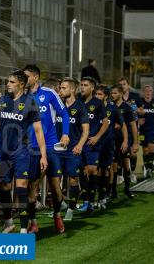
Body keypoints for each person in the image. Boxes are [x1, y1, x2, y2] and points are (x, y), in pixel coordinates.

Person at [0, 69, 47, 234]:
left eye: (12, 82)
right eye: (8, 81)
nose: (8, 84)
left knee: (21, 188)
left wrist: (43, 155)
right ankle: (9, 222)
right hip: (4, 152)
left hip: (22, 152)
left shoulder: (31, 103)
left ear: (22, 84)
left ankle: (24, 228)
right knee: (4, 186)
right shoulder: (2, 100)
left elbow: (38, 131)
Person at [23, 64, 70, 233]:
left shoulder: (49, 94)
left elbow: (64, 113)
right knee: (31, 187)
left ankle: (57, 215)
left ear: (36, 77)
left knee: (55, 186)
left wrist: (65, 133)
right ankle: (33, 223)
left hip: (50, 148)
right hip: (31, 148)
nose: (24, 79)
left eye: (26, 76)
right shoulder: (22, 96)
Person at [56, 78, 89, 221]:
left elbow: (85, 131)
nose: (61, 91)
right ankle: (59, 207)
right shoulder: (57, 106)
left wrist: (80, 145)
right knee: (54, 180)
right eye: (60, 88)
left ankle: (70, 209)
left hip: (72, 150)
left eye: (63, 88)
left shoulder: (80, 108)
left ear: (72, 90)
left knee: (73, 180)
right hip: (57, 149)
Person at [76, 76, 108, 214]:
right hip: (79, 143)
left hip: (92, 143)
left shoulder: (98, 103)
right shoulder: (77, 101)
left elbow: (105, 123)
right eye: (81, 85)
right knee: (82, 172)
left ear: (92, 88)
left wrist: (96, 136)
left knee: (92, 171)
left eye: (85, 85)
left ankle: (91, 202)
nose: (82, 87)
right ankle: (85, 201)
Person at [95, 85, 128, 206]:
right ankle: (93, 197)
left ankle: (104, 195)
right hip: (94, 145)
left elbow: (123, 125)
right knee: (94, 171)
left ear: (106, 96)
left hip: (108, 145)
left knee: (105, 171)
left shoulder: (112, 108)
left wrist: (125, 141)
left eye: (99, 94)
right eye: (96, 94)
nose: (97, 96)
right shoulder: (92, 107)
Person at [111, 84, 139, 199]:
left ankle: (127, 189)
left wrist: (135, 143)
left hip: (124, 140)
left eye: (115, 93)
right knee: (114, 165)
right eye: (112, 93)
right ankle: (113, 192)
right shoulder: (110, 107)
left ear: (121, 94)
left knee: (125, 164)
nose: (113, 95)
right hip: (112, 140)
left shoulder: (127, 108)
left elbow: (133, 126)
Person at [118, 77, 144, 178]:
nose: (122, 86)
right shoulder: (117, 97)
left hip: (132, 127)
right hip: (120, 128)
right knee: (120, 152)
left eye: (124, 84)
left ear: (128, 85)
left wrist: (137, 109)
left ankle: (132, 172)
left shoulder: (135, 97)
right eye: (120, 85)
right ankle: (120, 175)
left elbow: (142, 111)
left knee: (133, 152)